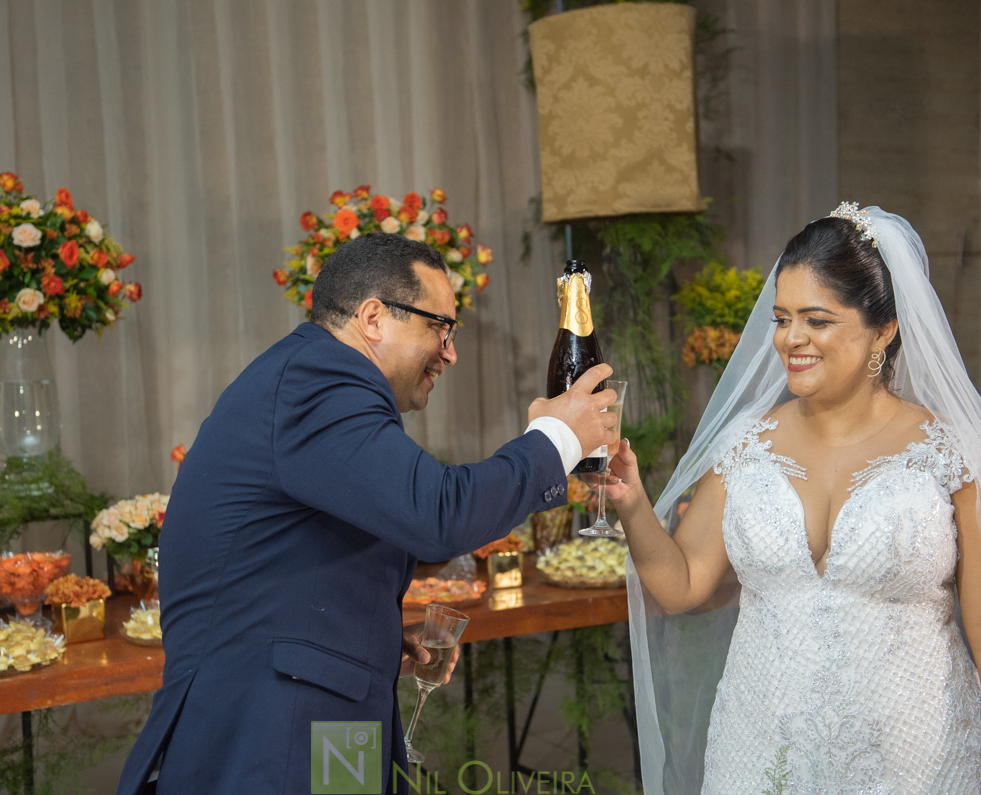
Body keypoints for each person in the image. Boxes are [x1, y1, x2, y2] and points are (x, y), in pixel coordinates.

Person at [115, 232, 616, 795]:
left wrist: (366, 632)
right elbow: (438, 514)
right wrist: (557, 439)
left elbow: (295, 557)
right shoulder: (318, 381)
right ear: (374, 317)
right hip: (270, 738)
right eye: (440, 326)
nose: (450, 351)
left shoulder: (317, 379)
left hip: (320, 717)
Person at [607, 205, 981, 794]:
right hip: (759, 756)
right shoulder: (745, 443)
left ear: (883, 329)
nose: (792, 339)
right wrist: (631, 499)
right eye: (782, 318)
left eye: (816, 320)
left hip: (917, 765)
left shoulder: (954, 455)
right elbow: (682, 583)